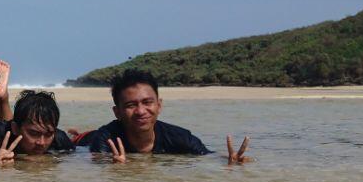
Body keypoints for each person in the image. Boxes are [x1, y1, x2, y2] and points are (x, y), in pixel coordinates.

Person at [81, 69, 252, 162]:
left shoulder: (180, 137)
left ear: (159, 105)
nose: (141, 111)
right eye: (131, 105)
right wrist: (116, 171)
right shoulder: (107, 139)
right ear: (117, 112)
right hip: (86, 139)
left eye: (147, 102)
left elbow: (207, 156)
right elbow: (96, 162)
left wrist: (229, 160)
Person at [0, 90, 76, 163]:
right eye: (34, 133)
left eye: (48, 134)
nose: (41, 143)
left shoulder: (60, 140)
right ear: (15, 128)